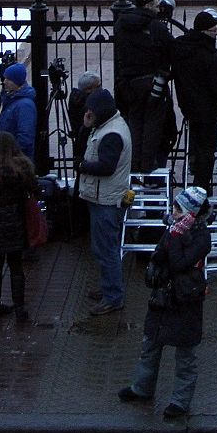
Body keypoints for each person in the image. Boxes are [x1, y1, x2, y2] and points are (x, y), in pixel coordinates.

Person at [119, 186, 213, 420]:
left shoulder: (201, 237)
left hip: (185, 299)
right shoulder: (175, 229)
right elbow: (159, 255)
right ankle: (142, 388)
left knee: (185, 354)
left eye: (177, 209)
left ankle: (180, 401)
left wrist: (174, 237)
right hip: (165, 296)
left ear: (190, 212)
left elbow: (179, 262)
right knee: (150, 344)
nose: (172, 212)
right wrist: (173, 238)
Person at [0, 131, 38, 321]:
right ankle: (20, 308)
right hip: (16, 223)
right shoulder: (22, 169)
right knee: (16, 266)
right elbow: (35, 190)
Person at [80, 87, 131, 315]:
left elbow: (106, 167)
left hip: (106, 199)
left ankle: (113, 296)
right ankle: (109, 287)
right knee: (103, 247)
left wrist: (83, 167)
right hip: (104, 196)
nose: (88, 113)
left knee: (107, 249)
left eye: (90, 110)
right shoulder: (107, 127)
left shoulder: (111, 134)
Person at [114, 0, 174, 174]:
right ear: (148, 4)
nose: (158, 6)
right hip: (152, 84)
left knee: (134, 124)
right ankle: (147, 168)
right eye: (155, 2)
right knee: (152, 128)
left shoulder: (121, 24)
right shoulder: (155, 26)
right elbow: (172, 49)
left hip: (129, 84)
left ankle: (133, 168)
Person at [171, 9, 217, 189]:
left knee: (196, 141)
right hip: (208, 110)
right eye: (213, 31)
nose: (216, 35)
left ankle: (193, 165)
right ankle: (201, 188)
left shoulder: (181, 48)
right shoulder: (209, 56)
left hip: (187, 106)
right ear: (205, 32)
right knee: (206, 149)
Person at [0, 63, 38, 164]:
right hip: (9, 159)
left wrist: (7, 153)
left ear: (16, 82)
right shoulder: (12, 100)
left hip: (16, 161)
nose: (4, 82)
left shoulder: (25, 105)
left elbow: (25, 137)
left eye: (8, 79)